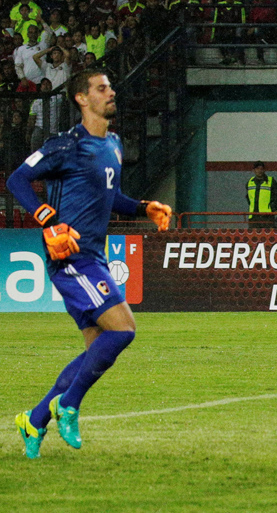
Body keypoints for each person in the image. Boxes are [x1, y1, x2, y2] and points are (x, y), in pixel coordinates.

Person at [7, 70, 173, 460]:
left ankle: (33, 419)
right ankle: (68, 404)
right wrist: (48, 220)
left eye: (110, 87)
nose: (111, 92)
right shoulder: (66, 145)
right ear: (82, 99)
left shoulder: (113, 143)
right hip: (69, 257)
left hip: (93, 255)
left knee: (97, 347)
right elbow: (17, 180)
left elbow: (108, 195)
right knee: (124, 330)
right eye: (102, 89)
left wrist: (142, 208)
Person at [247, 160, 277, 228]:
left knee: (268, 236)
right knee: (253, 236)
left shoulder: (271, 181)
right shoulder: (249, 182)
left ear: (264, 170)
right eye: (257, 169)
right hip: (253, 216)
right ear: (254, 170)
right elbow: (248, 198)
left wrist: (272, 208)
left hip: (267, 216)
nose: (259, 171)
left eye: (261, 169)